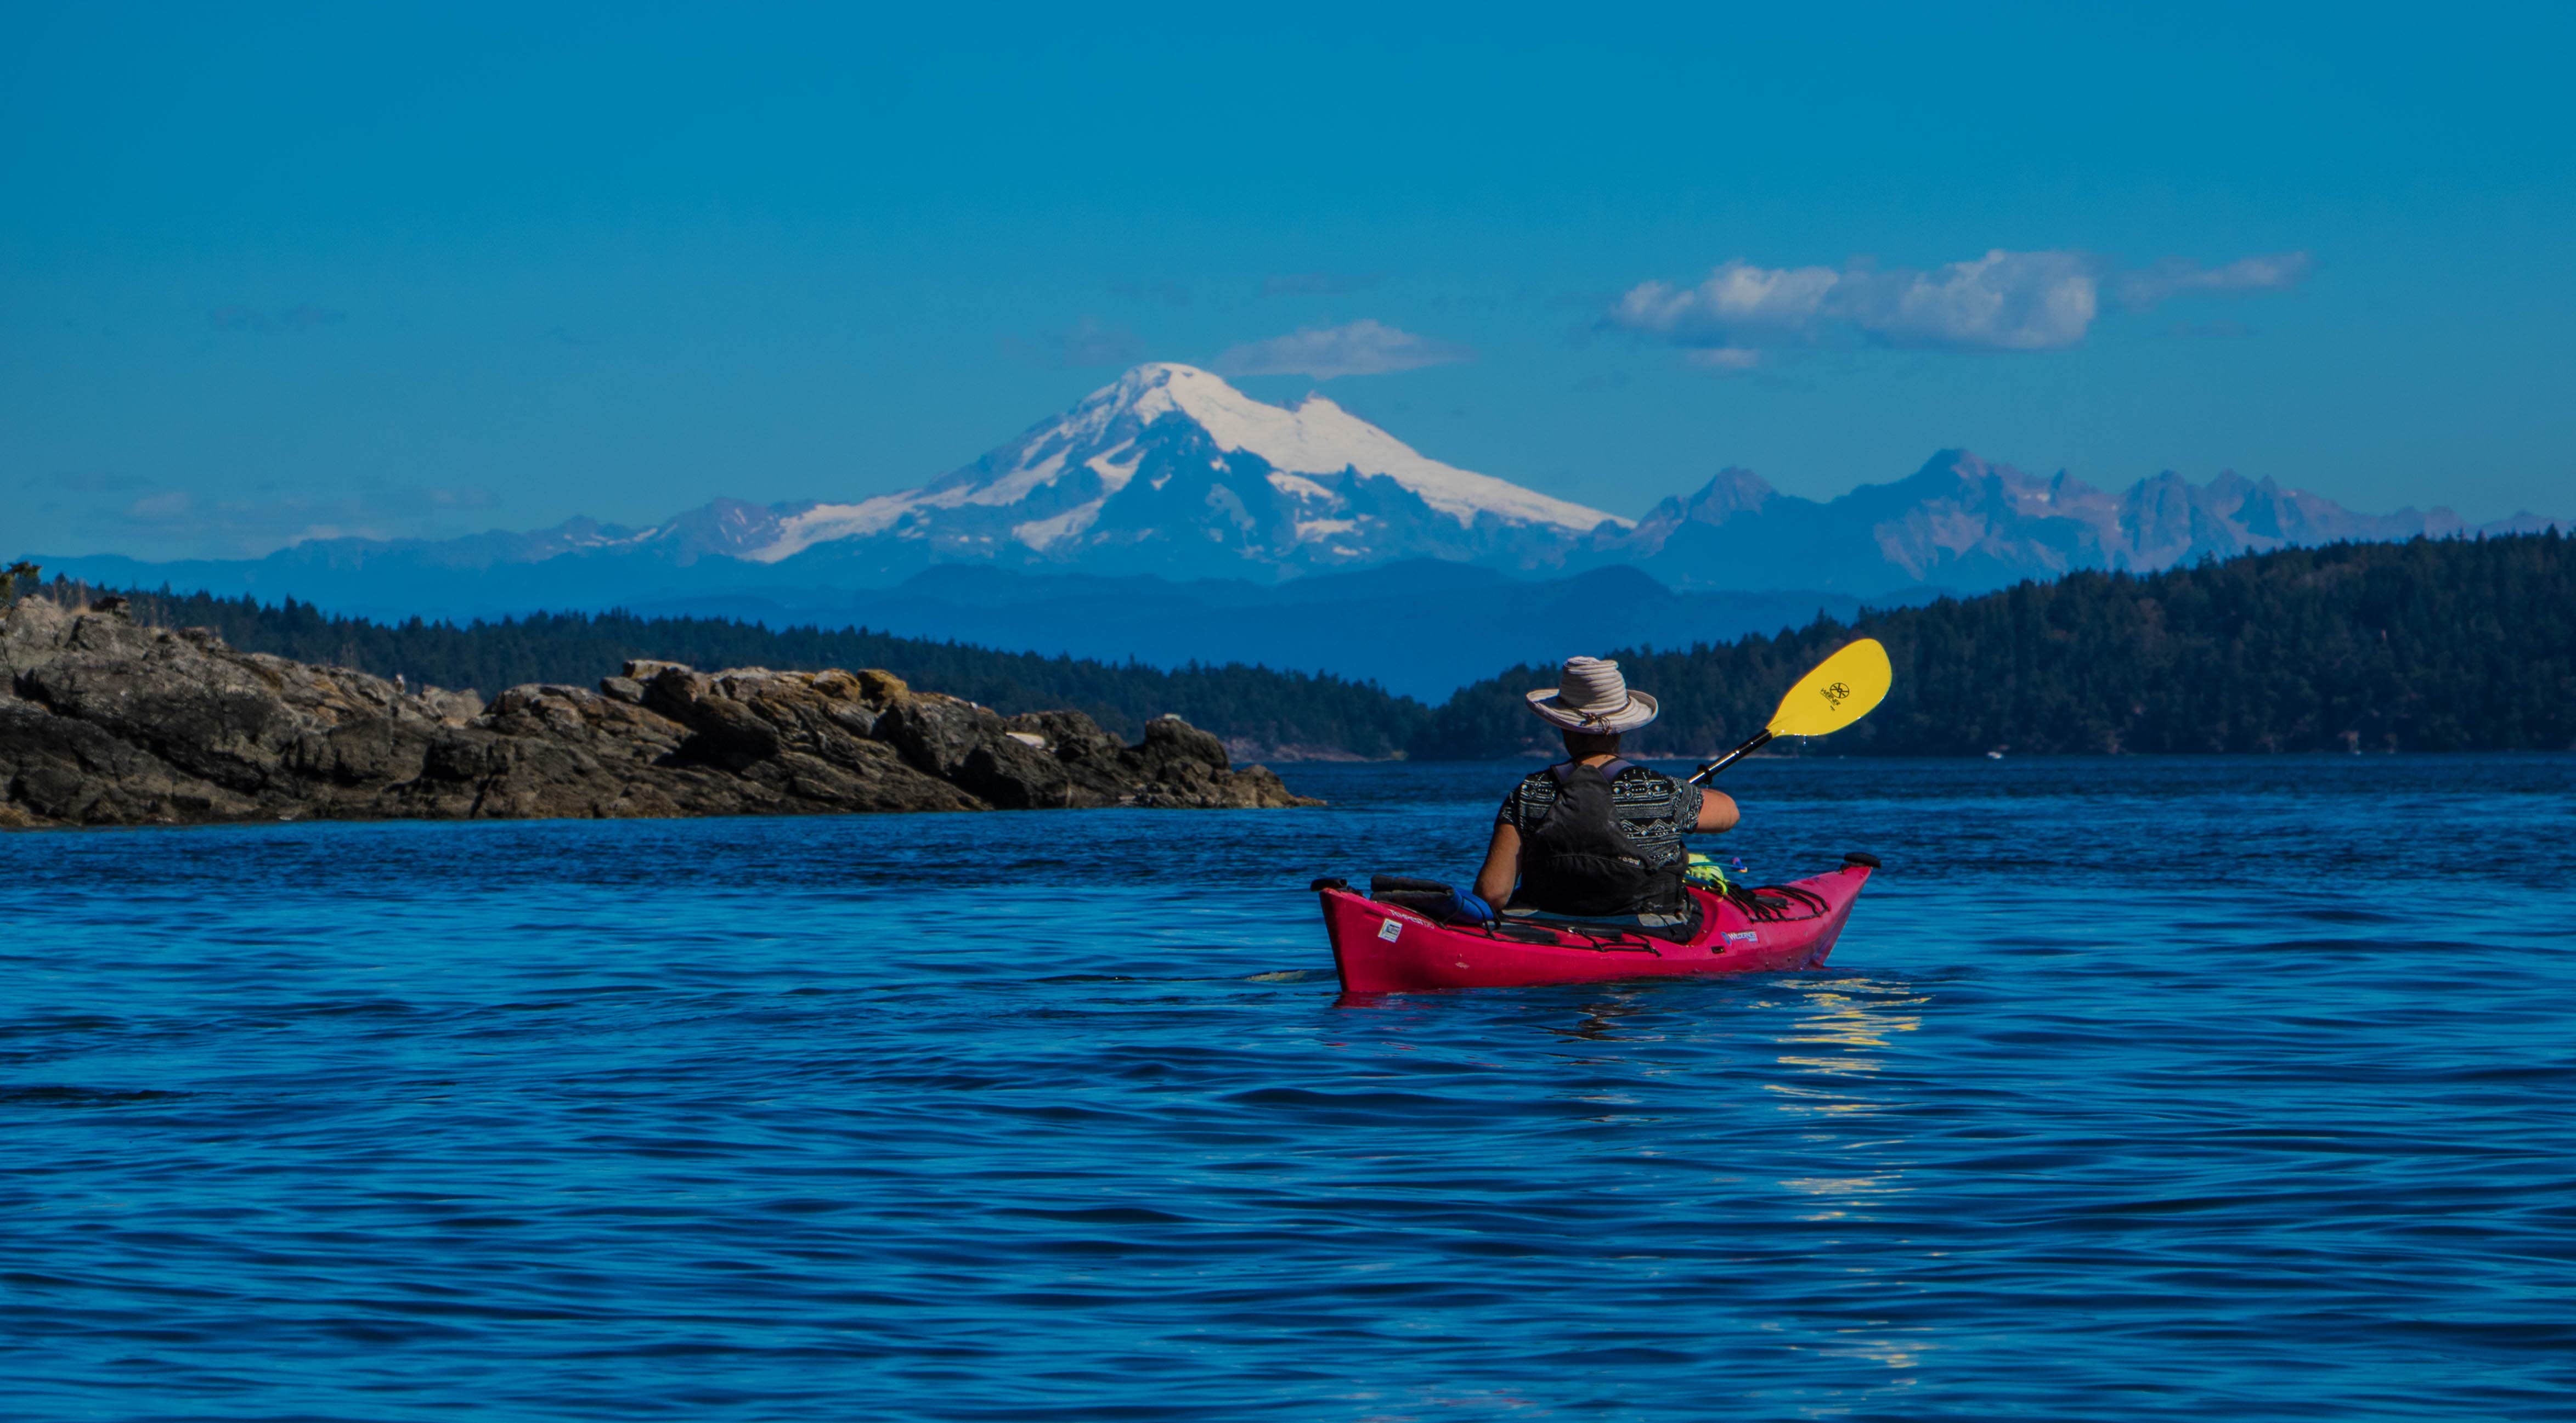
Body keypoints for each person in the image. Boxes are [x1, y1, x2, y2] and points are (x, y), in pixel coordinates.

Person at [1470, 656, 1738, 919]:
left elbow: (1492, 894)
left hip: (1548, 925)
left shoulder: (1530, 793)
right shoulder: (1661, 790)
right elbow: (1729, 814)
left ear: (1564, 726)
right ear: (1621, 729)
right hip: (1648, 929)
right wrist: (1685, 791)